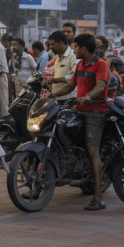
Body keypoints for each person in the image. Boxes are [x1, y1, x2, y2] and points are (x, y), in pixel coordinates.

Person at [51, 33, 109, 210]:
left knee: (92, 150)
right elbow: (70, 86)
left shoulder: (101, 64)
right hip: (78, 110)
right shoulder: (80, 64)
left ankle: (98, 197)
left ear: (83, 49)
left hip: (95, 111)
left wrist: (88, 97)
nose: (73, 49)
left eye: (75, 47)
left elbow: (100, 86)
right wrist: (51, 95)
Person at [48, 30, 77, 100]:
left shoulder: (73, 55)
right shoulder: (57, 57)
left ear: (61, 43)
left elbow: (75, 76)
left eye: (52, 44)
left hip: (69, 99)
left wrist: (56, 80)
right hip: (58, 98)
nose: (50, 47)